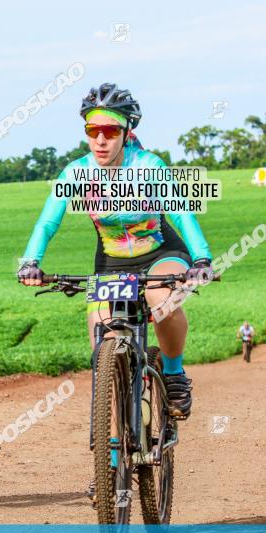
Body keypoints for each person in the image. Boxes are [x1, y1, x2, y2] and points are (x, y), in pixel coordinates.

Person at [17, 83, 214, 420]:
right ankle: (110, 465)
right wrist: (31, 262)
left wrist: (201, 259)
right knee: (102, 350)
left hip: (159, 252)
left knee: (162, 299)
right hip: (110, 262)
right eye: (93, 131)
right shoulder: (77, 173)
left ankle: (174, 373)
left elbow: (180, 213)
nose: (101, 140)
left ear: (127, 131)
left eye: (110, 131)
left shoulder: (149, 166)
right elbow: (47, 223)